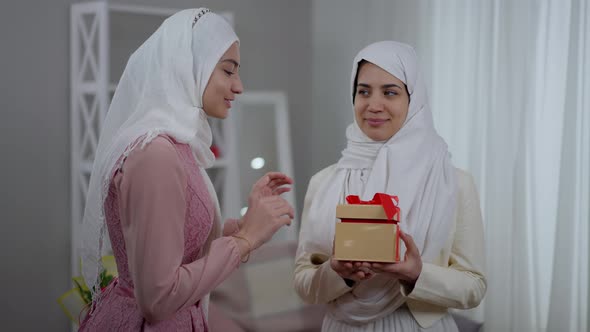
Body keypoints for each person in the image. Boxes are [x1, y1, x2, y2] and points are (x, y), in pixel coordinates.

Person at [78, 8, 294, 331]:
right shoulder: (155, 155)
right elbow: (158, 298)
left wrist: (244, 226)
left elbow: (175, 247)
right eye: (228, 71)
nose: (239, 86)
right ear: (189, 67)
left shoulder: (175, 146)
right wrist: (245, 241)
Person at [294, 41, 486, 331]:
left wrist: (417, 274)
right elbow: (304, 283)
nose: (373, 105)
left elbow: (474, 286)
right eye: (364, 91)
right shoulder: (324, 183)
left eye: (390, 92)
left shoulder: (453, 183)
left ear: (414, 100)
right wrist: (340, 273)